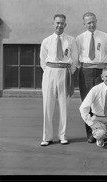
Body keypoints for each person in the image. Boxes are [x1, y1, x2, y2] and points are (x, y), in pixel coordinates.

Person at [40, 14, 78, 146]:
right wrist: (50, 72)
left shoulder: (71, 40)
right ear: (53, 24)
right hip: (50, 72)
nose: (59, 25)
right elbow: (42, 61)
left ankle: (62, 135)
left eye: (62, 23)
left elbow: (75, 60)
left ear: (65, 25)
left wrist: (68, 73)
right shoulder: (46, 41)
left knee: (64, 105)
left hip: (65, 73)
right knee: (47, 105)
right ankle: (47, 137)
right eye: (57, 23)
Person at [76, 12, 107, 144]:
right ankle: (91, 132)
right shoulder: (79, 38)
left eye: (93, 21)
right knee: (87, 102)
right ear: (84, 24)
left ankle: (105, 130)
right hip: (86, 71)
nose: (91, 24)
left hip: (100, 70)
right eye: (88, 22)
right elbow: (76, 56)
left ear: (97, 21)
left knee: (101, 101)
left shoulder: (104, 36)